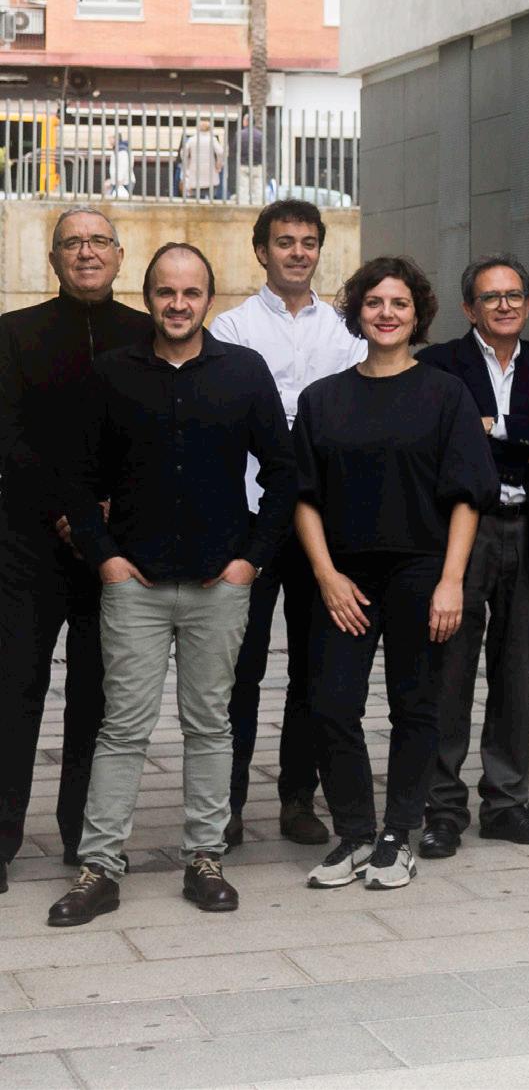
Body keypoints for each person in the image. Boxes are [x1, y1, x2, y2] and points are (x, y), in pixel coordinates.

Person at [47, 244, 295, 927]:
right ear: (149, 296)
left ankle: (204, 859)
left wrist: (250, 560)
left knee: (209, 724)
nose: (178, 304)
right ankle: (100, 868)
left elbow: (283, 473)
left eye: (190, 293)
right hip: (136, 584)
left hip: (220, 583)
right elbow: (76, 478)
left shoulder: (243, 372)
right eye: (165, 292)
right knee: (121, 728)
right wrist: (105, 560)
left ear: (208, 299)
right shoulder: (111, 373)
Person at [294, 257, 497, 891]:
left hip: (421, 571)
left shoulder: (445, 394)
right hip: (345, 578)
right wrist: (326, 575)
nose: (387, 313)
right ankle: (355, 833)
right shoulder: (323, 398)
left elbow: (467, 495)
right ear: (357, 312)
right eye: (375, 302)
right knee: (331, 704)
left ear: (418, 315)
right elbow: (302, 496)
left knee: (416, 706)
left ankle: (396, 835)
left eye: (399, 303)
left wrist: (451, 581)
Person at [416, 255, 529, 858]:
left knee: (516, 674)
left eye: (514, 295)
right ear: (470, 308)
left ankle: (506, 804)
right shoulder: (441, 365)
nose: (505, 305)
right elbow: (446, 445)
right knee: (451, 673)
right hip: (466, 534)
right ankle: (442, 810)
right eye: (491, 297)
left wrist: (494, 427)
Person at [0, 209, 148, 897]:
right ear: (53, 257)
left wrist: (106, 513)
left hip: (114, 551)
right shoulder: (14, 333)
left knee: (99, 697)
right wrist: (72, 510)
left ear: (119, 255)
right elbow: (8, 437)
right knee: (13, 690)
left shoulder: (146, 333)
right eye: (72, 243)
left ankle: (85, 838)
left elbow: (155, 438)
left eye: (98, 241)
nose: (86, 252)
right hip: (27, 543)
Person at [212, 200, 365, 851]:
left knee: (313, 665)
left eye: (308, 242)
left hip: (323, 523)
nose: (298, 252)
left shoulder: (347, 332)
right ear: (261, 251)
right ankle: (226, 804)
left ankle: (298, 798)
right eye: (284, 242)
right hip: (251, 518)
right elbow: (230, 418)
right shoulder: (232, 328)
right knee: (239, 669)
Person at [179, 118, 225, 200]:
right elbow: (220, 152)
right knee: (210, 197)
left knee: (194, 198)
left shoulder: (192, 140)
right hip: (210, 172)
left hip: (195, 172)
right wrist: (218, 164)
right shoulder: (212, 140)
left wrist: (187, 164)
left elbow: (183, 153)